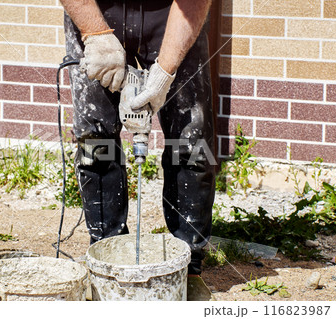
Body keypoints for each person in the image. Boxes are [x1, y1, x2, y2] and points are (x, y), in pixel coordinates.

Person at [59, 0, 216, 300]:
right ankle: (106, 257)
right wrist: (95, 33)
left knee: (191, 144)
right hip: (96, 8)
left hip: (169, 13)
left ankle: (188, 267)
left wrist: (165, 72)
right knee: (96, 141)